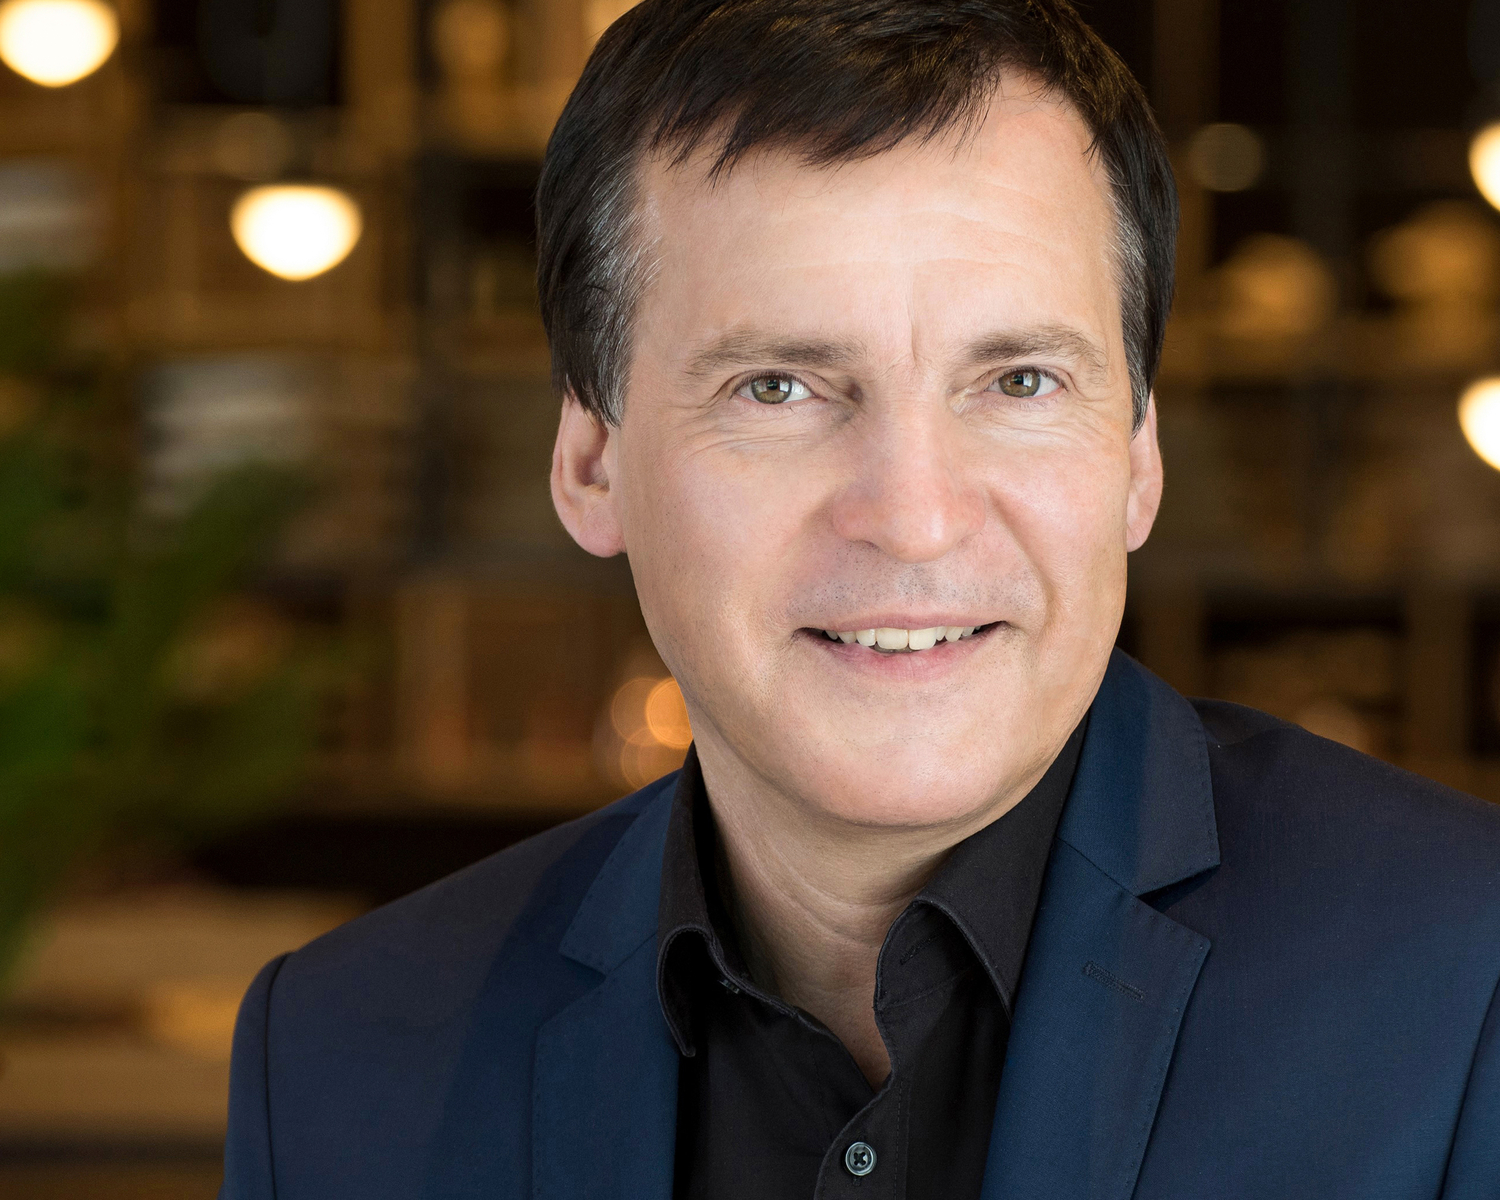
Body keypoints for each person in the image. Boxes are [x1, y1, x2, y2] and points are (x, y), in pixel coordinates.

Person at [219, 2, 1500, 1197]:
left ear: (1139, 458)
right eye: (779, 387)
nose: (915, 515)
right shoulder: (335, 1065)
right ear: (591, 462)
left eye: (1019, 382)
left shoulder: (1470, 981)